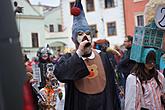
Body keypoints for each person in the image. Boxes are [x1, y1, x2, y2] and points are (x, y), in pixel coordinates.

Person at [53, 0, 120, 110]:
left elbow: (112, 89)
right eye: (80, 34)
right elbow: (61, 74)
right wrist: (79, 53)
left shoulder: (103, 57)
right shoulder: (69, 58)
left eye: (88, 33)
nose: (85, 37)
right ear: (73, 39)